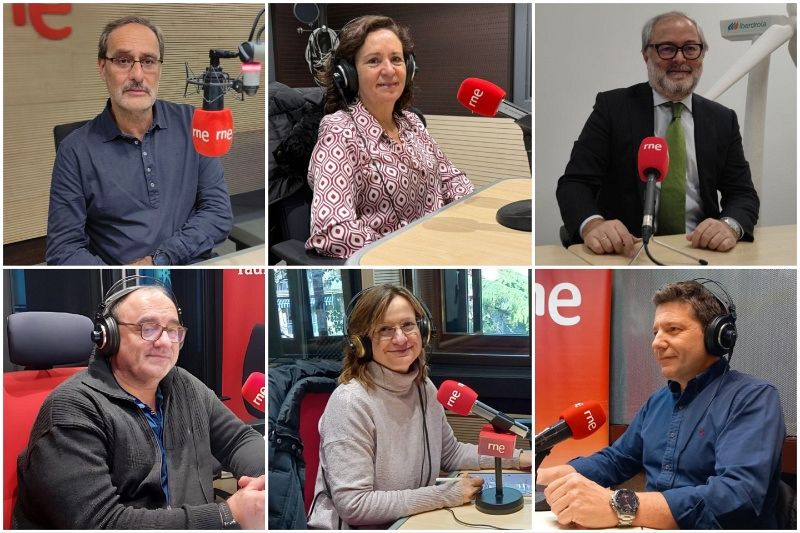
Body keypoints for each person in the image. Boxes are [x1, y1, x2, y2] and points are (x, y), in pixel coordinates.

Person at [12, 281, 265, 529]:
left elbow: (239, 440)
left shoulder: (183, 384)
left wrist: (264, 480)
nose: (165, 342)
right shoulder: (71, 409)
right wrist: (226, 515)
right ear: (108, 336)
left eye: (173, 330)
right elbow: (100, 523)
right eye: (149, 328)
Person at [537, 280, 785, 529]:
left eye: (673, 329)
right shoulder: (657, 402)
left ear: (716, 335)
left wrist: (620, 506)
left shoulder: (753, 398)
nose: (657, 343)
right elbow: (618, 458)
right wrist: (566, 474)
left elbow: (737, 495)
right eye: (656, 332)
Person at [306, 284, 531, 528]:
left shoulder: (423, 388)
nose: (401, 338)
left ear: (422, 330)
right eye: (385, 329)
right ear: (362, 344)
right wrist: (444, 495)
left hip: (409, 521)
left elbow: (450, 454)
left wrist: (518, 458)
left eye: (407, 325)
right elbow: (355, 505)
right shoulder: (350, 403)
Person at [556, 11, 759, 257]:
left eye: (690, 48)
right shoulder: (613, 107)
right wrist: (593, 224)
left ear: (702, 54)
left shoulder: (723, 119)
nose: (680, 58)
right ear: (646, 55)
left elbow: (742, 194)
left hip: (697, 250)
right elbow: (575, 183)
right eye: (667, 49)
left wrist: (730, 226)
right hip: (627, 250)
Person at [46, 16, 233, 265]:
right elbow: (64, 250)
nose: (137, 74)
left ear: (159, 68)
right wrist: (128, 280)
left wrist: (161, 258)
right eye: (123, 60)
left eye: (148, 61)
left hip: (194, 264)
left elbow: (218, 213)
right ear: (102, 67)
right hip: (126, 278)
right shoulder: (75, 151)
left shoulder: (195, 123)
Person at [305, 16, 474, 258]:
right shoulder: (339, 131)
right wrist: (404, 250)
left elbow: (451, 179)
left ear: (410, 68)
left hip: (444, 250)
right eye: (374, 61)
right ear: (348, 74)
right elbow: (332, 230)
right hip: (403, 256)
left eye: (396, 59)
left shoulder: (411, 122)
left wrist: (473, 213)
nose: (389, 70)